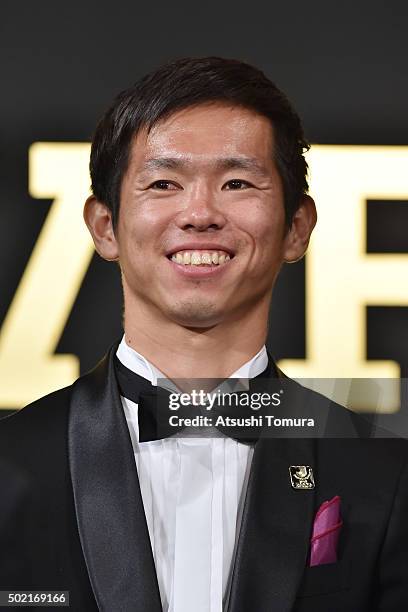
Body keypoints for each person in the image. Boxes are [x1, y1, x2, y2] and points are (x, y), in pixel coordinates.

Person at [0, 57, 407, 612]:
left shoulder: (385, 473)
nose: (199, 213)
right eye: (164, 183)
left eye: (237, 182)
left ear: (296, 227)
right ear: (104, 226)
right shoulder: (10, 464)